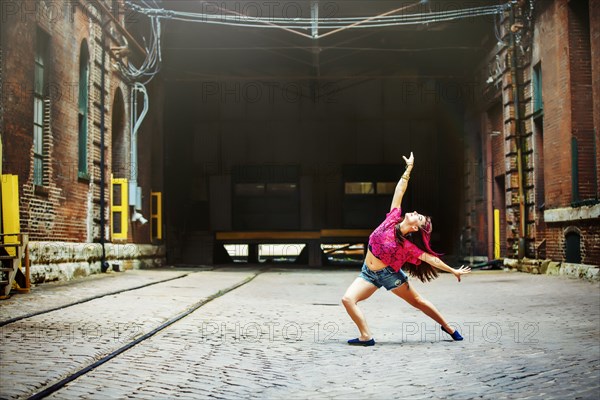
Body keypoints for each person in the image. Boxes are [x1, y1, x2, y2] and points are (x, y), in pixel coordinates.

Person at [341, 152, 471, 346]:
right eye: (418, 214)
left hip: (389, 275)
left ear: (415, 228)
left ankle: (448, 327)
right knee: (347, 299)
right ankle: (366, 336)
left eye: (418, 217)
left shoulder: (408, 247)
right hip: (368, 274)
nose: (416, 213)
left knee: (418, 302)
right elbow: (399, 191)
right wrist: (408, 169)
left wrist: (452, 270)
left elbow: (430, 259)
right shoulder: (393, 218)